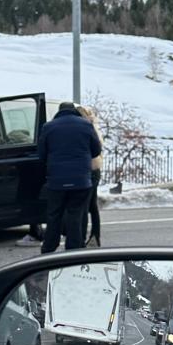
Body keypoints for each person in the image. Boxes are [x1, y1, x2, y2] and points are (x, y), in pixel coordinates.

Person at [38, 101, 101, 253]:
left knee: (54, 215)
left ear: (59, 112)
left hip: (56, 181)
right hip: (81, 180)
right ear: (74, 111)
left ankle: (49, 248)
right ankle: (73, 249)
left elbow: (41, 154)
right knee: (76, 214)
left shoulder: (48, 127)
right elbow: (96, 150)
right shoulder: (86, 125)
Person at [77, 104, 104, 247]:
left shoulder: (87, 128)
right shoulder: (93, 127)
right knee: (92, 205)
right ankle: (95, 236)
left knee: (84, 206)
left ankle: (82, 237)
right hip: (95, 168)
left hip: (89, 169)